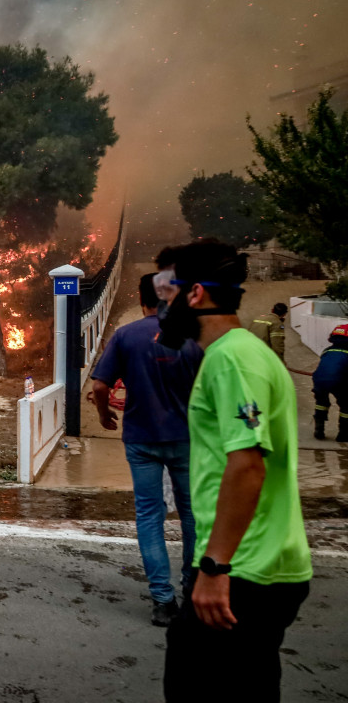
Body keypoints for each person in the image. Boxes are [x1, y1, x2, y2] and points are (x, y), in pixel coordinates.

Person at [161, 241, 311, 703]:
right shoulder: (250, 352)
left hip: (245, 569)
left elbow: (247, 466)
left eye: (168, 290)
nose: (163, 301)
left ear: (195, 294)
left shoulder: (230, 359)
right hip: (264, 565)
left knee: (195, 685)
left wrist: (214, 566)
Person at [91, 273, 202, 625]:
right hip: (186, 440)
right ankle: (194, 592)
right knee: (191, 515)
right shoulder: (192, 337)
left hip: (142, 440)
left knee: (150, 517)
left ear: (142, 301)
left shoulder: (126, 335)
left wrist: (104, 412)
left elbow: (99, 385)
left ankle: (162, 601)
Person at [312, 323, 348, 442]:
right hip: (338, 381)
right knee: (346, 405)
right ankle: (343, 434)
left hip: (319, 380)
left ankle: (319, 430)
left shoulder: (327, 350)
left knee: (321, 403)